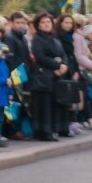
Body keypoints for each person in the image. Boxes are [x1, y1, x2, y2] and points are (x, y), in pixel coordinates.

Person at [29, 11, 67, 142]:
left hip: (56, 76)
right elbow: (40, 56)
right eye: (43, 22)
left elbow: (63, 55)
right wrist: (57, 66)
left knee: (53, 104)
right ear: (38, 25)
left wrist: (64, 65)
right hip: (43, 76)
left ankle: (54, 129)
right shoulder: (37, 38)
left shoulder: (55, 38)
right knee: (43, 106)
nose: (46, 24)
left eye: (48, 22)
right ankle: (44, 131)